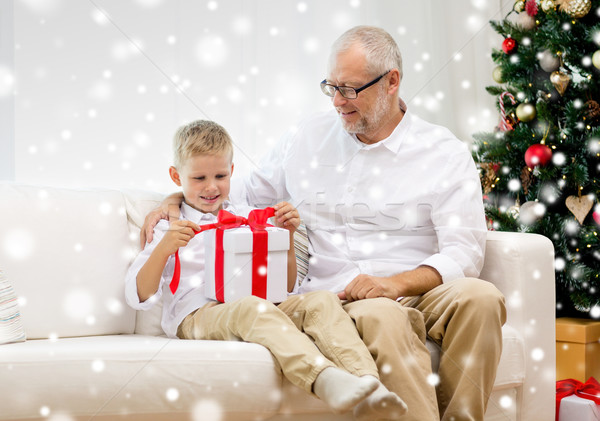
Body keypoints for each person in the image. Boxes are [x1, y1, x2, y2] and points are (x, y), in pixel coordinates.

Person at [142, 26, 507, 421]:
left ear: (391, 82)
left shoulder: (443, 152)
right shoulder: (307, 137)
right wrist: (175, 198)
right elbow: (235, 195)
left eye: (349, 90)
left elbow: (465, 251)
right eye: (330, 87)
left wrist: (396, 283)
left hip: (415, 286)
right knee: (383, 314)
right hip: (341, 296)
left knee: (482, 297)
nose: (336, 101)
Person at [126, 119, 409, 421]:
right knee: (252, 308)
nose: (211, 186)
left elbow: (285, 286)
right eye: (198, 178)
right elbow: (137, 293)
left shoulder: (248, 216)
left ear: (232, 172)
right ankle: (323, 378)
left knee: (321, 300)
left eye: (220, 175)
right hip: (197, 313)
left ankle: (369, 384)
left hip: (261, 301)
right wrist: (164, 248)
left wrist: (285, 236)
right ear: (175, 175)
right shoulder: (168, 226)